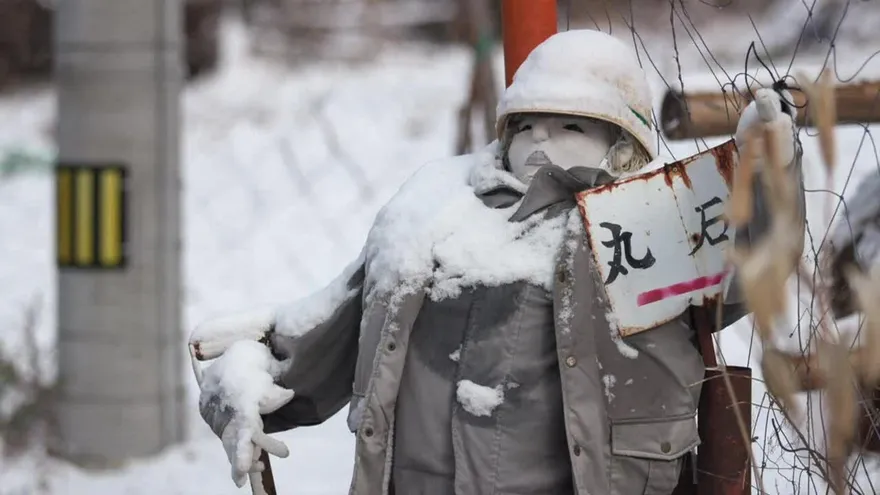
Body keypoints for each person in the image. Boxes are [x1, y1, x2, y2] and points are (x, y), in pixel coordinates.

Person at [191, 29, 805, 495]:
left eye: (571, 125)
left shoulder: (636, 224)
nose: (541, 142)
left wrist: (769, 174)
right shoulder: (432, 211)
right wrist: (243, 383)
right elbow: (335, 326)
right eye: (527, 125)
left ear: (624, 149)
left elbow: (752, 267)